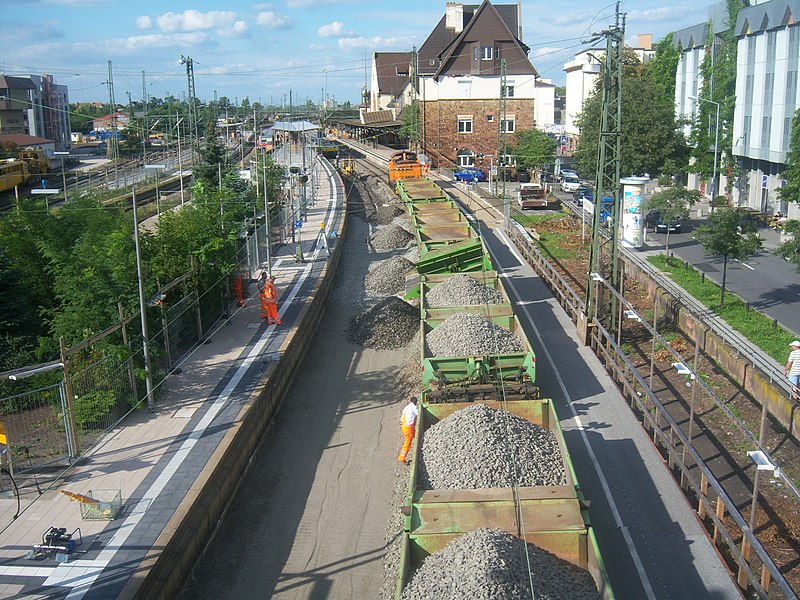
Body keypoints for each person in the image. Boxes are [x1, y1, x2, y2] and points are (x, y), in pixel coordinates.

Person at [397, 396, 419, 463]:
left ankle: (419, 445)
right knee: (408, 443)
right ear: (415, 402)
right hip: (408, 428)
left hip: (404, 426)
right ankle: (402, 457)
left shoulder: (407, 407)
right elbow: (419, 414)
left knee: (416, 436)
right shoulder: (413, 407)